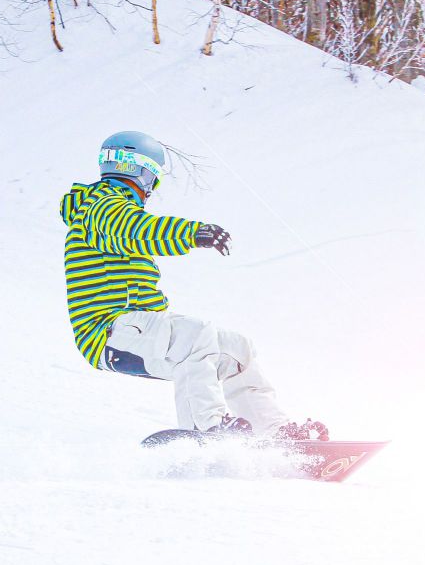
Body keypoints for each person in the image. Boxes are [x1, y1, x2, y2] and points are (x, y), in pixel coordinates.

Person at [59, 130, 327, 440]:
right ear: (145, 173)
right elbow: (134, 229)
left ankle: (274, 432)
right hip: (109, 330)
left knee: (236, 349)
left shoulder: (100, 209)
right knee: (195, 335)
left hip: (135, 329)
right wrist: (192, 232)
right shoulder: (100, 207)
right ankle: (205, 428)